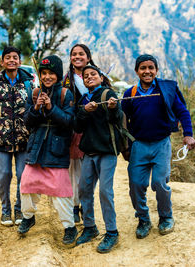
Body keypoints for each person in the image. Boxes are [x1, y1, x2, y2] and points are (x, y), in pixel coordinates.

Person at [121, 54, 195, 239]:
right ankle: (143, 219)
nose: (147, 71)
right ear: (137, 71)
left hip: (161, 144)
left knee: (159, 183)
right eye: (143, 68)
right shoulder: (129, 94)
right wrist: (126, 145)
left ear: (156, 70)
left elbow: (182, 111)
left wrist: (188, 134)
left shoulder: (165, 90)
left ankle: (166, 217)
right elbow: (121, 120)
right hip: (139, 145)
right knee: (136, 185)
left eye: (150, 68)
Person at [17, 55, 77, 246]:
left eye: (51, 73)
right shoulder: (35, 92)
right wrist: (36, 107)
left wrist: (51, 108)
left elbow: (70, 122)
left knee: (61, 191)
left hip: (57, 149)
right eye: (44, 73)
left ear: (58, 74)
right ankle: (28, 217)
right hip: (36, 149)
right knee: (26, 184)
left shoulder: (65, 94)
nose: (47, 77)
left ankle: (70, 227)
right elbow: (27, 122)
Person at [0, 46, 33, 227]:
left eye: (15, 57)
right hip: (2, 139)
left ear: (20, 61)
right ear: (2, 62)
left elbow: (34, 113)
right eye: (8, 57)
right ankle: (5, 210)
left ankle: (19, 208)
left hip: (23, 139)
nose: (12, 60)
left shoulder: (29, 85)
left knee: (22, 175)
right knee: (4, 175)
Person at [74, 65, 123, 253]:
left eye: (93, 74)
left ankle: (112, 232)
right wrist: (85, 111)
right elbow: (77, 127)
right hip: (89, 153)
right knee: (84, 189)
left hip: (107, 152)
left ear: (101, 77)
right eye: (86, 76)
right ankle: (90, 227)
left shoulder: (108, 95)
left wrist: (112, 108)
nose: (89, 77)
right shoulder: (85, 99)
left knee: (104, 191)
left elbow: (117, 119)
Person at [63, 44, 98, 223]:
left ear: (88, 57)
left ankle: (87, 204)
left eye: (81, 54)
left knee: (91, 170)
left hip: (96, 130)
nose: (77, 57)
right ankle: (75, 205)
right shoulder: (66, 81)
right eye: (74, 54)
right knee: (75, 171)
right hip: (75, 129)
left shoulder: (99, 78)